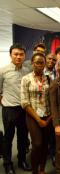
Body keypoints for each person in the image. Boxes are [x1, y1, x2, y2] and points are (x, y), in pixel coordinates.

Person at [0, 43, 31, 174]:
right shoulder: (3, 71)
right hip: (9, 109)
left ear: (24, 56)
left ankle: (22, 160)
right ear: (11, 55)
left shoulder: (27, 70)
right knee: (8, 137)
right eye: (15, 54)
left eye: (21, 54)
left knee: (23, 137)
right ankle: (7, 164)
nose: (18, 57)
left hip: (24, 109)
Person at [21, 52, 52, 174]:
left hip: (48, 115)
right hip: (33, 116)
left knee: (45, 144)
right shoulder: (26, 79)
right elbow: (24, 102)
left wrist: (49, 119)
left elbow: (52, 99)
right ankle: (35, 170)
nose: (39, 65)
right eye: (37, 62)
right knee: (37, 144)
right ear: (32, 63)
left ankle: (42, 169)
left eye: (42, 63)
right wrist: (39, 120)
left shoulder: (49, 78)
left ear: (45, 64)